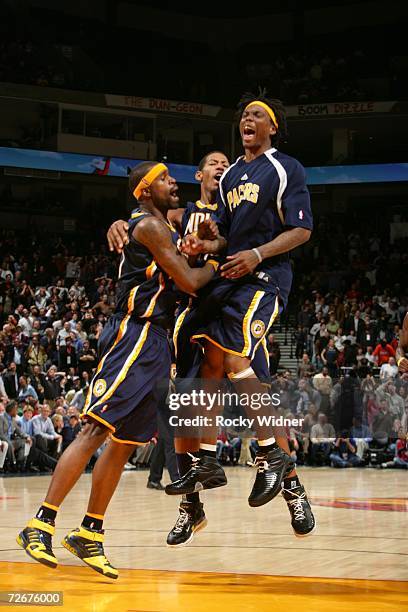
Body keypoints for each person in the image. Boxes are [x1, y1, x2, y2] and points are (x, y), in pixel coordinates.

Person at [109, 94, 316, 541]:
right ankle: (192, 502)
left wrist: (219, 248)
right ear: (200, 174)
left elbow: (292, 228)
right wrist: (118, 223)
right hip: (197, 307)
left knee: (246, 381)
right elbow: (142, 217)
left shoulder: (258, 182)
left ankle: (290, 482)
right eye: (212, 164)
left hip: (241, 287)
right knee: (189, 399)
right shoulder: (181, 214)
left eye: (225, 162)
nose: (221, 167)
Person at [17, 161, 217, 580]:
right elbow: (188, 281)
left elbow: (203, 227)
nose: (171, 183)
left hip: (158, 343)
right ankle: (40, 523)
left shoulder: (166, 223)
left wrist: (211, 244)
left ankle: (90, 532)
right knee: (95, 430)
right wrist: (216, 265)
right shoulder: (149, 226)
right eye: (163, 179)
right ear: (144, 191)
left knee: (124, 442)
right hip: (136, 333)